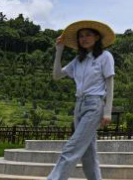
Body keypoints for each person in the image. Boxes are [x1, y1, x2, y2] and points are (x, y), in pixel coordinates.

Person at [47, 20, 116, 180]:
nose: (84, 39)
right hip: (79, 106)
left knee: (71, 148)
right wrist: (59, 51)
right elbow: (57, 75)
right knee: (88, 155)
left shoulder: (105, 57)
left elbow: (110, 83)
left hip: (94, 105)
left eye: (88, 35)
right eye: (81, 36)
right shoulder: (78, 60)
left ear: (97, 37)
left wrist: (107, 112)